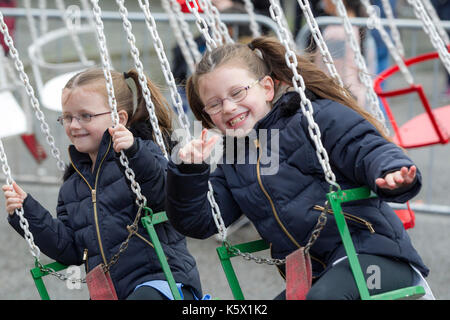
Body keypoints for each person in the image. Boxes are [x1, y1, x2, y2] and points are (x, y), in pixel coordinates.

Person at [165, 36, 432, 300]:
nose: (229, 107)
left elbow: (364, 146)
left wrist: (391, 171)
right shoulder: (235, 157)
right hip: (314, 275)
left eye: (237, 93)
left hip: (374, 258)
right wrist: (189, 172)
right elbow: (201, 220)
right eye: (214, 103)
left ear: (267, 88)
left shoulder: (310, 118)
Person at [2, 68, 203, 300]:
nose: (74, 125)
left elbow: (163, 195)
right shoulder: (73, 186)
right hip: (111, 293)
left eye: (85, 116)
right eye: (67, 117)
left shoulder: (142, 153)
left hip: (161, 282)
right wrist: (27, 213)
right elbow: (72, 250)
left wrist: (134, 152)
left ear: (120, 118)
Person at [314, 0, 377, 110]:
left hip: (339, 97)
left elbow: (326, 68)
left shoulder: (335, 31)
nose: (323, 1)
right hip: (358, 96)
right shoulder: (360, 28)